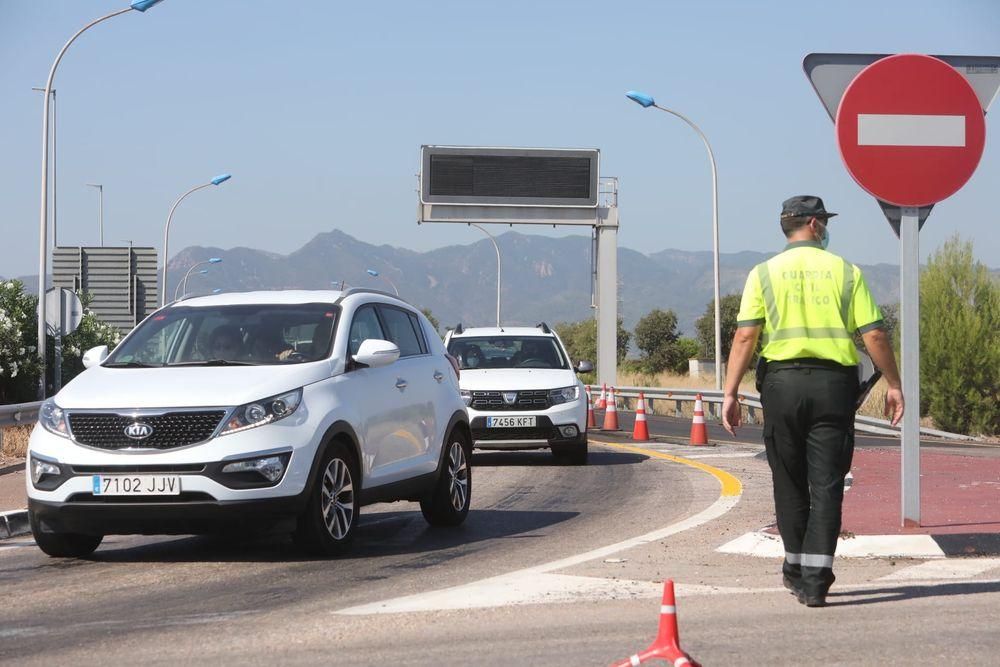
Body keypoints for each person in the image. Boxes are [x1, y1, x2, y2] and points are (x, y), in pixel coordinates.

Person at [721, 195, 905, 608]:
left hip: (781, 387)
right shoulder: (845, 271)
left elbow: (746, 336)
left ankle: (793, 568)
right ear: (815, 225)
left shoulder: (763, 273)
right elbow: (874, 335)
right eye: (825, 221)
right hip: (832, 388)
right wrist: (893, 382)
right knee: (827, 484)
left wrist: (730, 392)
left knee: (788, 481)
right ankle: (816, 580)